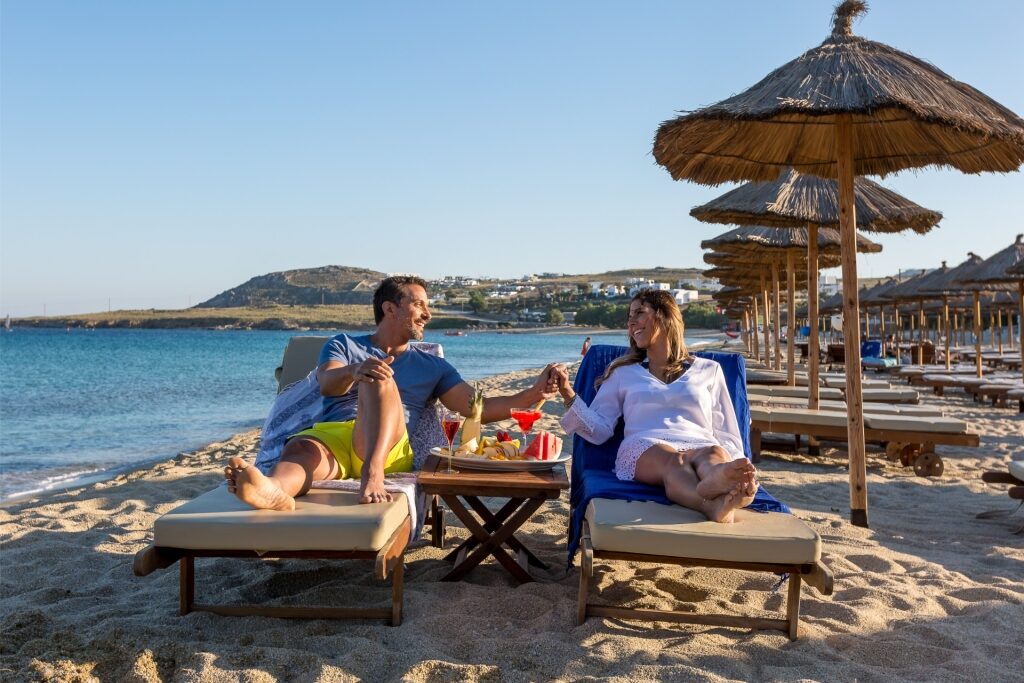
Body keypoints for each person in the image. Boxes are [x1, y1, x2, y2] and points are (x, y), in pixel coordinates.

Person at [226, 275, 559, 510]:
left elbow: (478, 409)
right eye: (419, 305)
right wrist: (354, 370)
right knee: (301, 451)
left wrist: (533, 393)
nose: (428, 314)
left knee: (380, 378)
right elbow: (326, 384)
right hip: (337, 437)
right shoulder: (343, 344)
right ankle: (273, 491)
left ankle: (371, 473)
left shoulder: (432, 365)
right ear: (390, 309)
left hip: (390, 447)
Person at [550, 289, 757, 523]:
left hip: (700, 443)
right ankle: (709, 504)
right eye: (629, 318)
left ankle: (721, 479)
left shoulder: (709, 370)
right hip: (645, 446)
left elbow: (726, 429)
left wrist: (736, 465)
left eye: (639, 313)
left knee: (714, 453)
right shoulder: (623, 373)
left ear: (664, 315)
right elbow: (600, 430)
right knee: (675, 462)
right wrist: (568, 393)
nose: (631, 323)